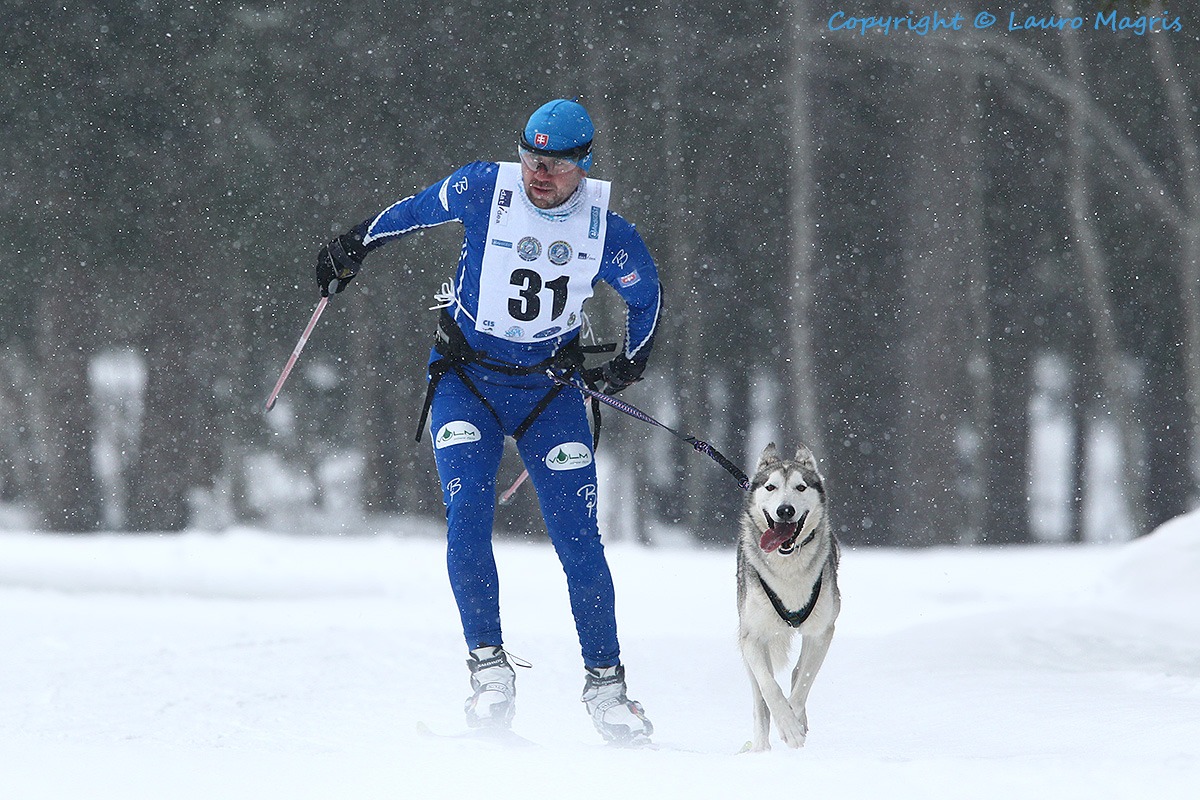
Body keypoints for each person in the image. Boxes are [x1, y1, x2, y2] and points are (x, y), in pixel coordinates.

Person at [314, 99, 662, 744]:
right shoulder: (484, 187)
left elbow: (647, 297)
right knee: (467, 521)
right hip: (465, 381)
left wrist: (628, 367)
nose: (539, 174)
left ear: (583, 164)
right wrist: (354, 243)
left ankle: (608, 689)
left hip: (549, 393)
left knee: (578, 541)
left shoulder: (608, 231)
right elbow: (415, 211)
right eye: (532, 157)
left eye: (556, 165)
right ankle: (489, 675)